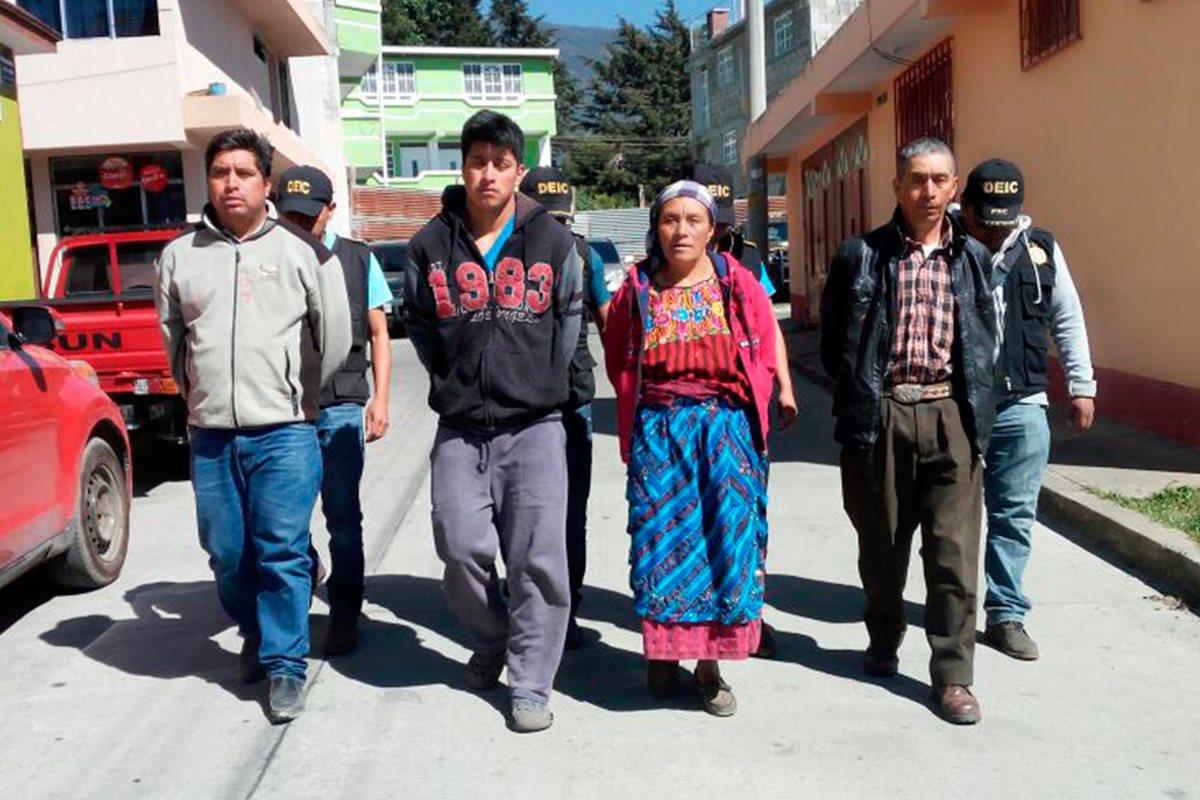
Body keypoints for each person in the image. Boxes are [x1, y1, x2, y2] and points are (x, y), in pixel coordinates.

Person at [154, 128, 352, 723]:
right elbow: (172, 343)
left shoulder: (302, 251)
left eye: (244, 172)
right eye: (220, 173)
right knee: (226, 550)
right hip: (211, 433)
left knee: (282, 550)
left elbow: (336, 335)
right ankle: (256, 630)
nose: (231, 183)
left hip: (285, 431)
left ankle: (285, 665)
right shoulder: (179, 257)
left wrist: (299, 394)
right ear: (207, 182)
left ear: (266, 183)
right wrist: (201, 399)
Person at [402, 111, 583, 734]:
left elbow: (569, 321)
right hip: (459, 428)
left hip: (534, 426)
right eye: (478, 161)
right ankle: (493, 637)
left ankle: (531, 681)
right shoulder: (430, 244)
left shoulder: (553, 241)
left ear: (518, 171)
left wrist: (543, 386)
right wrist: (451, 376)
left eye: (500, 163)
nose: (488, 174)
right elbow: (421, 326)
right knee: (459, 547)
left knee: (538, 560)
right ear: (464, 166)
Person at [819, 137, 996, 725]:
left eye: (939, 180)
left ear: (954, 188)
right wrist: (861, 405)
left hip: (951, 416)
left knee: (953, 555)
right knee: (883, 549)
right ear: (897, 186)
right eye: (916, 179)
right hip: (882, 413)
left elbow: (983, 341)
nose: (927, 191)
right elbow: (834, 346)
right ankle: (884, 634)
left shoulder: (973, 258)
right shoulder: (860, 255)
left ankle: (953, 676)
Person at [604, 180, 777, 717]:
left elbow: (766, 347)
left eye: (693, 220)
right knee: (665, 548)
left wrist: (764, 411)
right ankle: (665, 656)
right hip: (660, 435)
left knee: (726, 546)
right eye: (670, 219)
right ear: (657, 228)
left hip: (725, 435)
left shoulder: (738, 283)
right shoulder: (635, 289)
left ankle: (709, 667)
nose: (681, 229)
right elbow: (618, 360)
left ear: (711, 229)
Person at [958, 159, 1096, 661]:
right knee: (949, 515)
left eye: (1003, 219)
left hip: (1022, 403)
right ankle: (950, 608)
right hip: (954, 404)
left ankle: (1006, 613)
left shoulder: (1040, 249)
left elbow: (1068, 317)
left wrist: (1082, 386)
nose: (994, 231)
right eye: (984, 219)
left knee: (1014, 512)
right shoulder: (944, 245)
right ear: (965, 208)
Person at [275, 165, 395, 656]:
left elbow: (380, 332)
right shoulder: (266, 256)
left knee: (343, 516)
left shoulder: (356, 258)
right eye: (289, 216)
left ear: (330, 210)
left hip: (342, 401)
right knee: (284, 520)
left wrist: (380, 397)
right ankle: (303, 580)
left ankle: (345, 610)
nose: (299, 226)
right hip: (282, 405)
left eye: (309, 217)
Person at [689, 163, 798, 659]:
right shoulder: (662, 264)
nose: (721, 230)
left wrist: (785, 387)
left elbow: (770, 326)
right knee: (694, 523)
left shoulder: (748, 258)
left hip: (744, 412)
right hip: (687, 418)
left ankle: (748, 613)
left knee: (747, 517)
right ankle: (696, 619)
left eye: (724, 219)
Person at [518, 166, 610, 651]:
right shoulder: (505, 250)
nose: (554, 229)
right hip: (519, 402)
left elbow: (608, 318)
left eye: (560, 219)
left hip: (572, 397)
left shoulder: (583, 252)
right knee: (526, 514)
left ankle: (566, 607)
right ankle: (531, 602)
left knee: (571, 512)